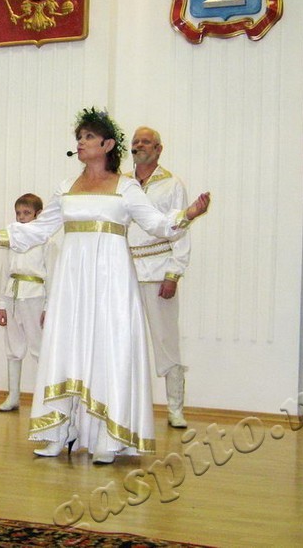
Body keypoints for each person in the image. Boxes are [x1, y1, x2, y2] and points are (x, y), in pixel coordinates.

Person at [0, 107, 209, 464]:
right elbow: (39, 229)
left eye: (89, 137)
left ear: (107, 145)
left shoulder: (125, 187)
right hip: (72, 282)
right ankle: (58, 429)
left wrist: (188, 215)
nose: (81, 142)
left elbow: (157, 224)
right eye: (79, 137)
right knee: (66, 346)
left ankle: (109, 435)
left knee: (109, 348)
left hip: (112, 282)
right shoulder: (66, 187)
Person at [126, 127, 191, 428]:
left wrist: (173, 274)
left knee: (165, 340)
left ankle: (175, 408)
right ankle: (127, 408)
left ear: (158, 149)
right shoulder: (122, 184)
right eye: (136, 142)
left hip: (158, 270)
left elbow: (181, 229)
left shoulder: (172, 184)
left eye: (146, 142)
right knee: (125, 341)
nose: (139, 145)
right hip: (125, 273)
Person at [0, 193, 58, 412]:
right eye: (18, 213)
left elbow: (53, 275)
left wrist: (48, 306)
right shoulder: (12, 242)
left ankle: (44, 399)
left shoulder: (47, 242)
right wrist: (1, 304)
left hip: (35, 296)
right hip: (13, 294)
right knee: (13, 346)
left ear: (38, 214)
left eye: (26, 213)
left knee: (39, 347)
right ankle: (13, 395)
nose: (21, 217)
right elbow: (4, 273)